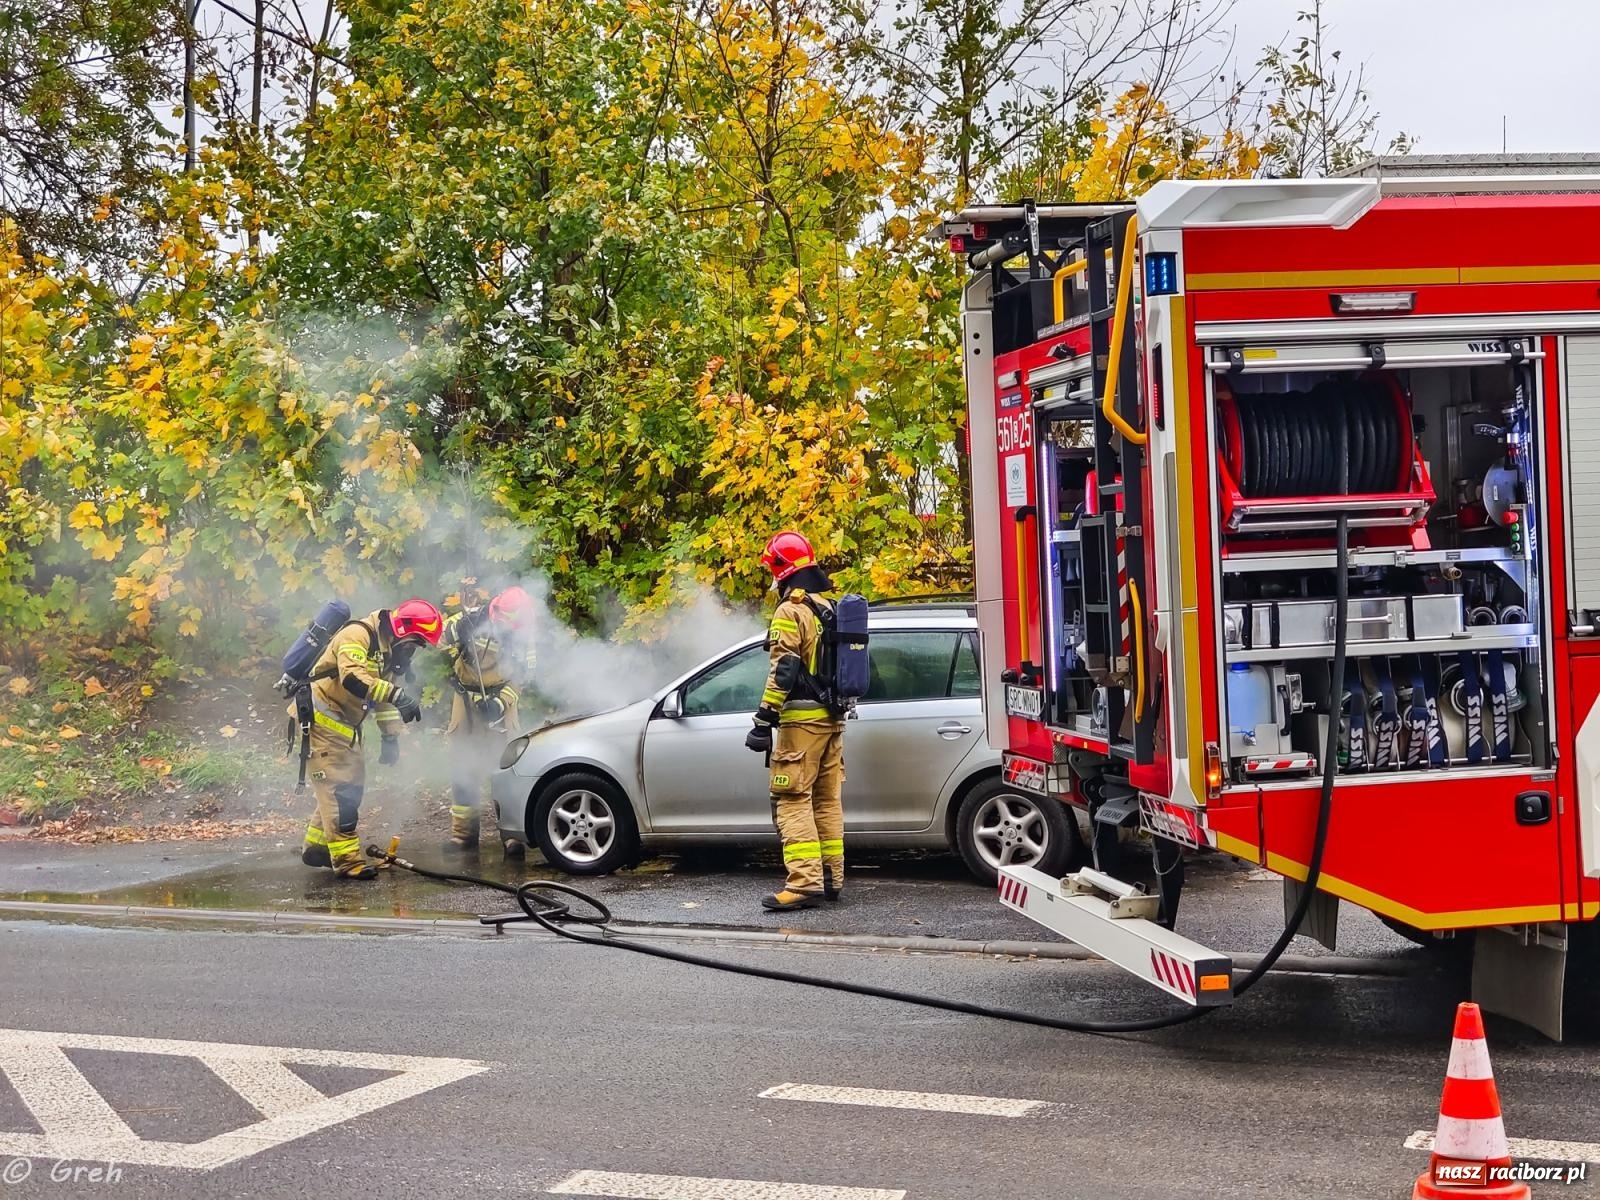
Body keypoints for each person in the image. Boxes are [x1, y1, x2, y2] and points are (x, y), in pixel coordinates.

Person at [298, 600, 443, 879]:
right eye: (416, 642)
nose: (415, 649)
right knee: (342, 790)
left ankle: (317, 846)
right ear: (404, 630)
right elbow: (354, 678)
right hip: (323, 718)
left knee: (342, 785)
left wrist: (391, 737)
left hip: (342, 723)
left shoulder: (388, 648)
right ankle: (347, 861)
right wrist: (398, 695)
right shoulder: (358, 635)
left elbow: (380, 698)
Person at [744, 531, 846, 912]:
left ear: (780, 569)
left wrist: (764, 717)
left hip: (801, 724)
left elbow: (784, 668)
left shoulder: (792, 610)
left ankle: (803, 883)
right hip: (832, 720)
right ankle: (832, 878)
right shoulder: (827, 605)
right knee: (826, 800)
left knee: (792, 798)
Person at [442, 585, 536, 853]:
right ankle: (463, 836)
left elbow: (523, 679)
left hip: (501, 703)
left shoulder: (525, 636)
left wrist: (498, 702)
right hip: (465, 702)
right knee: (462, 767)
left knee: (503, 769)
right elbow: (437, 637)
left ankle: (512, 836)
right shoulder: (472, 619)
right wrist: (457, 629)